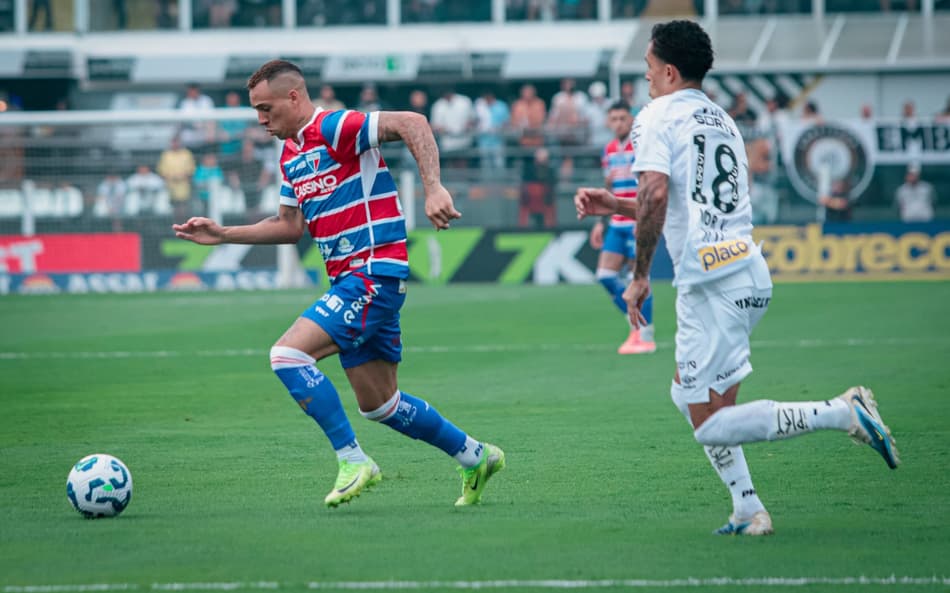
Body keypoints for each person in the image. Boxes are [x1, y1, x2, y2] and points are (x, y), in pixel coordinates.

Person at [574, 20, 899, 536]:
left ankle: (843, 412)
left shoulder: (656, 114)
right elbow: (681, 198)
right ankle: (748, 508)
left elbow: (657, 195)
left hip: (709, 283)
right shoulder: (721, 118)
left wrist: (639, 277)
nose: (647, 78)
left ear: (670, 70)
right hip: (743, 272)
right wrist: (614, 203)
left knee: (713, 424)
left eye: (650, 68)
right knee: (690, 397)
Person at [172, 60, 505, 508]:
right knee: (380, 405)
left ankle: (353, 460)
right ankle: (475, 455)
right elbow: (290, 226)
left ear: (294, 97)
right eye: (256, 111)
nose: (260, 120)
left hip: (372, 272)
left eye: (266, 108)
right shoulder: (291, 154)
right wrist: (224, 235)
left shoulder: (334, 126)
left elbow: (413, 122)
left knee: (286, 355)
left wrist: (434, 188)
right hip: (356, 281)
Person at [588, 100, 655, 355]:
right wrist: (598, 223)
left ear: (632, 120)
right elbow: (608, 187)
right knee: (605, 276)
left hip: (637, 221)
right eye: (614, 119)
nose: (618, 123)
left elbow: (649, 185)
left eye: (622, 118)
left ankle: (644, 334)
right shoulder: (609, 150)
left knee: (639, 278)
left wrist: (645, 219)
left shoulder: (641, 147)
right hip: (616, 223)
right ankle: (635, 321)